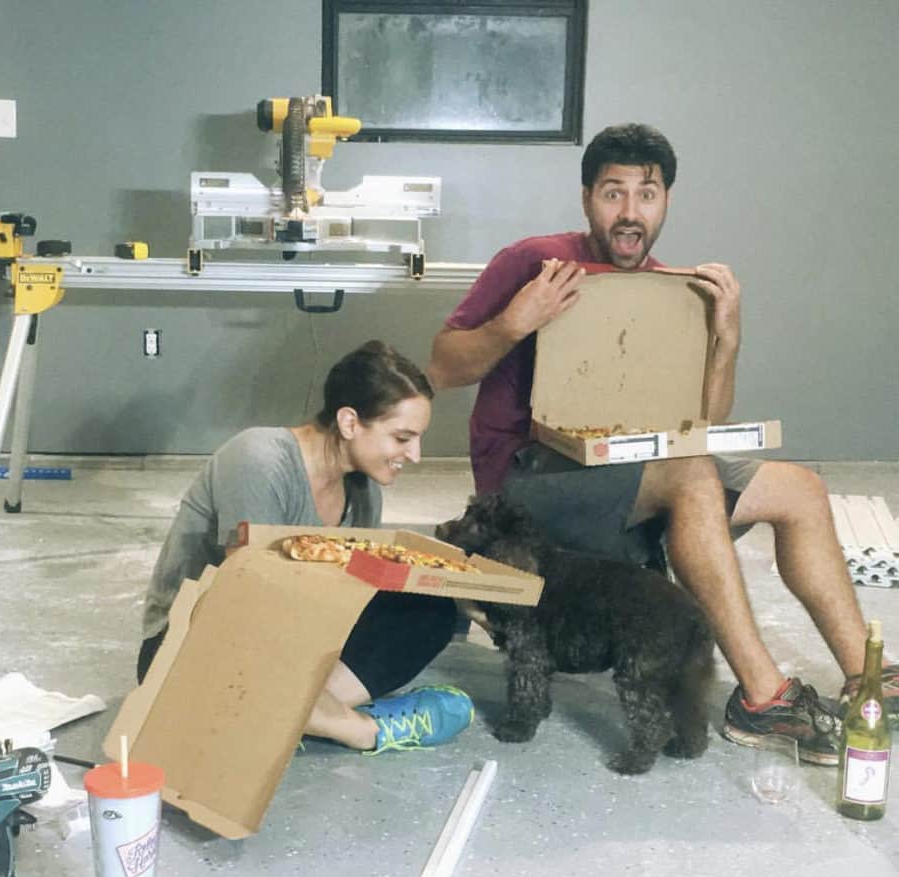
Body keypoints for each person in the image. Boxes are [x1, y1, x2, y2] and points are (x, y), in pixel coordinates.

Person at [429, 122, 895, 766]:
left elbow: (699, 425)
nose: (629, 212)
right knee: (690, 477)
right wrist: (516, 321)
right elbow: (443, 367)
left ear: (666, 201)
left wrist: (726, 337)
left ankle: (873, 680)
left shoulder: (664, 289)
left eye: (645, 194)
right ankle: (762, 699)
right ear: (588, 197)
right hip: (526, 481)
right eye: (612, 193)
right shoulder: (532, 262)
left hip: (630, 469)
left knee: (800, 489)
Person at [138, 340, 472, 754]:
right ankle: (361, 729)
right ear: (350, 422)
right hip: (199, 643)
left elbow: (348, 596)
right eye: (402, 437)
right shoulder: (259, 459)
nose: (415, 455)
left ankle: (278, 714)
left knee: (430, 611)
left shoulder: (363, 492)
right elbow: (247, 600)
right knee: (255, 626)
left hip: (295, 641)